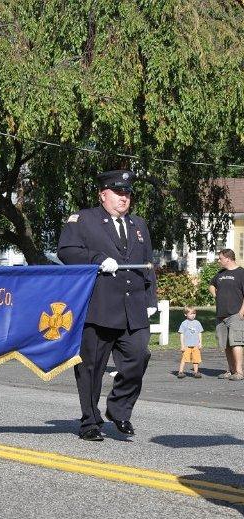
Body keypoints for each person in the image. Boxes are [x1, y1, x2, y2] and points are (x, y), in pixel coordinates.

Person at [57, 170, 157, 441]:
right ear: (103, 195)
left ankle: (119, 409)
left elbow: (148, 265)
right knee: (91, 367)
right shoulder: (84, 220)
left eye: (127, 193)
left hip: (133, 308)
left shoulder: (139, 225)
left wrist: (151, 300)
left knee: (138, 357)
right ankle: (90, 421)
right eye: (118, 192)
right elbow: (66, 251)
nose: (124, 198)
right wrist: (96, 258)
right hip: (99, 308)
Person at [209, 248, 244, 381]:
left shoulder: (241, 273)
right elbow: (211, 284)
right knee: (227, 344)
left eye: (220, 258)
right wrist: (214, 294)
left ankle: (239, 372)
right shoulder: (220, 273)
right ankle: (231, 370)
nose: (219, 260)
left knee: (236, 343)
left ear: (228, 258)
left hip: (235, 314)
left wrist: (241, 312)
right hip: (221, 315)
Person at [176, 306, 203, 379]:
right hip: (187, 345)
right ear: (186, 314)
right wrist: (182, 345)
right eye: (191, 314)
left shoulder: (197, 323)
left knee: (196, 359)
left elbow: (199, 333)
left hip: (195, 345)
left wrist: (200, 342)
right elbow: (181, 334)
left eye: (194, 313)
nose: (193, 315)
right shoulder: (184, 323)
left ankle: (196, 372)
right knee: (184, 359)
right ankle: (180, 372)